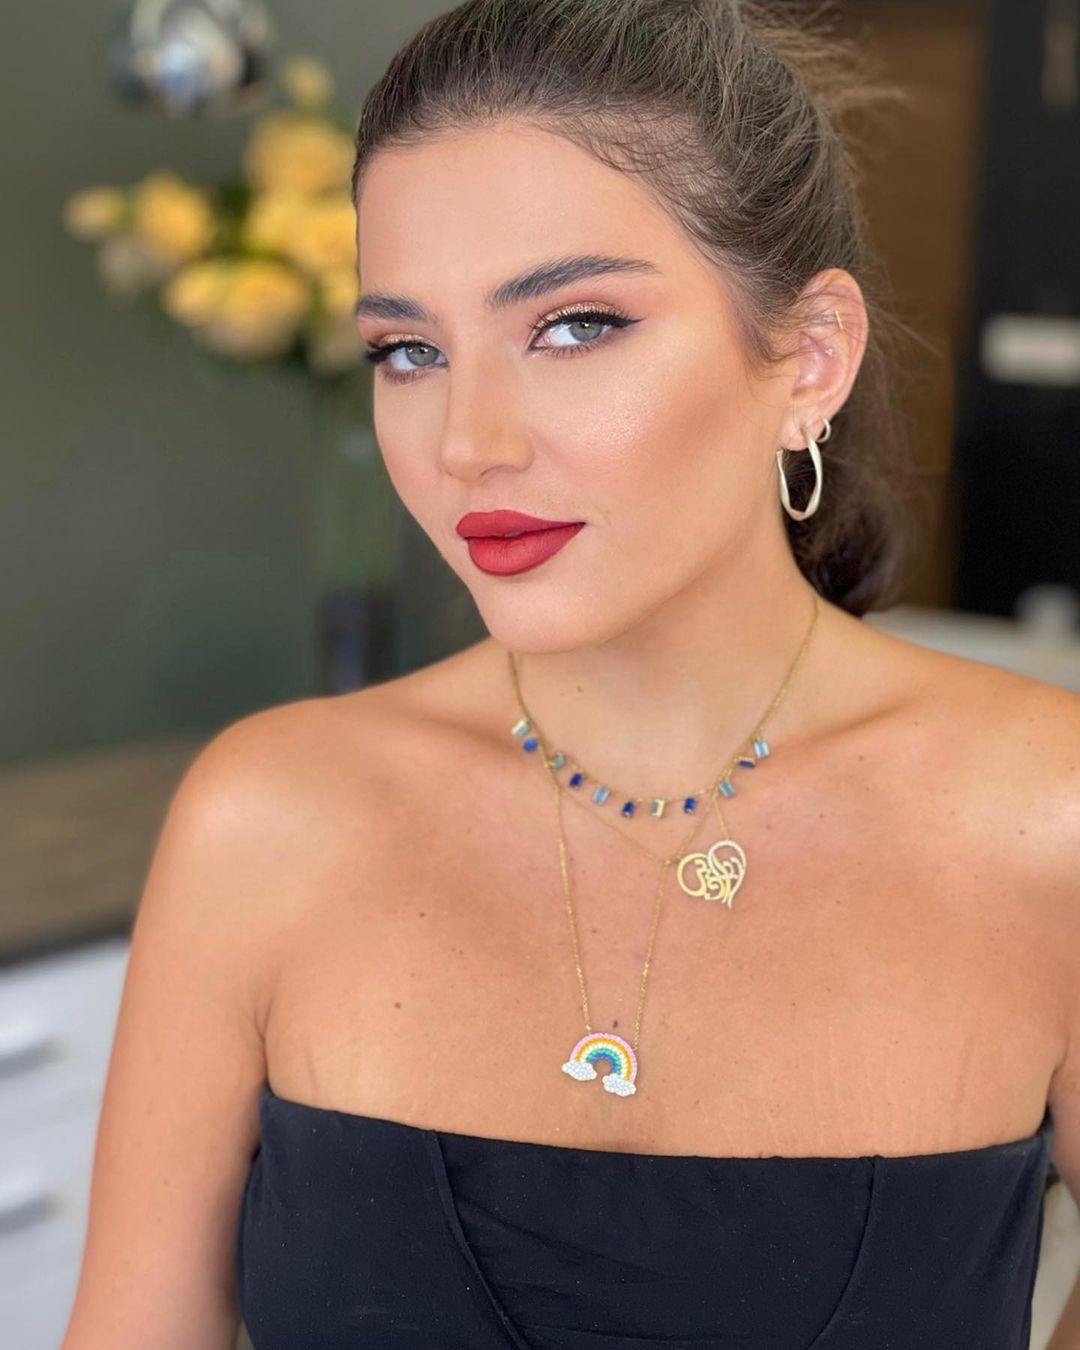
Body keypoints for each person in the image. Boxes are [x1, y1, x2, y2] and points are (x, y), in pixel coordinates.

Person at [63, 1, 1080, 1347]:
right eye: (408, 350)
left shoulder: (1048, 818)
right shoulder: (267, 820)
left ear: (809, 357)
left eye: (574, 325)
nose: (468, 442)